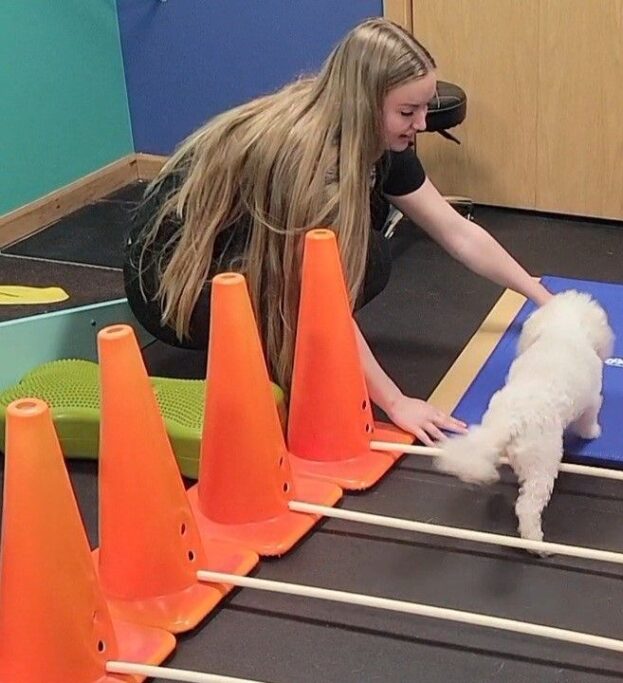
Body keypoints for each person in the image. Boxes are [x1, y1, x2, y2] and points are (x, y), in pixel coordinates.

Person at [123, 17, 551, 445]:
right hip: (167, 281)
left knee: (369, 258)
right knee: (344, 265)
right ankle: (258, 341)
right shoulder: (310, 161)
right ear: (365, 102)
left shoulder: (375, 135)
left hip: (220, 247)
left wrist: (543, 299)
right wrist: (396, 401)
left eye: (424, 108)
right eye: (407, 112)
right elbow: (312, 290)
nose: (421, 124)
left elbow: (456, 231)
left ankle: (274, 333)